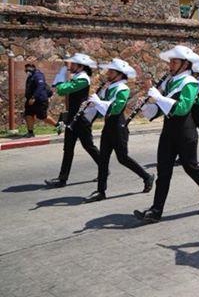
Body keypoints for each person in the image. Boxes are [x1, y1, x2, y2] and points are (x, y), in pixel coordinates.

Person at [134, 45, 199, 224]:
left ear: (185, 64)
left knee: (191, 167)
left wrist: (159, 98)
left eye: (174, 62)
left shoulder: (190, 83)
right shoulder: (169, 82)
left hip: (185, 132)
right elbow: (161, 109)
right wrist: (147, 106)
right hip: (168, 131)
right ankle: (156, 210)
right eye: (170, 62)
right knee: (163, 171)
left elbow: (182, 108)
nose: (170, 65)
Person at [83, 58, 154, 202]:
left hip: (118, 127)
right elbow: (102, 109)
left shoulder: (123, 89)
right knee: (103, 159)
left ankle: (147, 177)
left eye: (111, 71)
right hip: (108, 126)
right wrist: (90, 107)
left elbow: (116, 108)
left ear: (119, 74)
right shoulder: (109, 88)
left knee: (123, 158)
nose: (108, 73)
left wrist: (98, 102)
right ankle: (101, 191)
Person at [45, 53, 102, 188]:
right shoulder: (77, 77)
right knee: (68, 148)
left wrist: (62, 79)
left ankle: (104, 168)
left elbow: (62, 90)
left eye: (74, 64)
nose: (71, 66)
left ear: (81, 66)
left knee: (88, 146)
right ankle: (62, 179)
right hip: (72, 117)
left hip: (81, 119)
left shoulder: (83, 79)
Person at [22, 60, 57, 138]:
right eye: (26, 68)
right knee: (28, 114)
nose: (27, 70)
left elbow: (40, 87)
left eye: (29, 68)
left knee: (42, 116)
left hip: (40, 100)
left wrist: (33, 97)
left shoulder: (38, 75)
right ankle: (30, 132)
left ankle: (57, 125)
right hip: (30, 100)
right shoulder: (30, 76)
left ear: (33, 68)